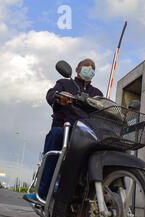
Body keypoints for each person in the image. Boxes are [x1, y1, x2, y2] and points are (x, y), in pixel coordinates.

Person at [24, 59, 103, 204]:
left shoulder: (97, 93)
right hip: (65, 129)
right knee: (56, 134)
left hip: (86, 135)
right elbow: (50, 94)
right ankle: (41, 194)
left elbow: (103, 109)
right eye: (86, 67)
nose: (89, 69)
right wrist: (58, 96)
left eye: (92, 68)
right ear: (77, 69)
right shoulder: (65, 83)